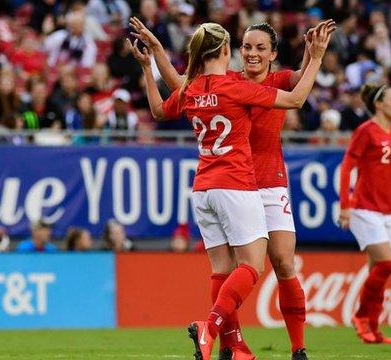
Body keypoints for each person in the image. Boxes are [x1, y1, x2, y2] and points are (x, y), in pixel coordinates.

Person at [130, 17, 334, 360]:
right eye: (247, 47)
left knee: (283, 263)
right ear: (233, 50)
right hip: (239, 184)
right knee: (244, 267)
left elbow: (180, 93)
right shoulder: (233, 82)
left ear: (272, 54)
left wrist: (313, 55)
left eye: (260, 48)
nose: (252, 53)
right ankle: (227, 343)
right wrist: (159, 55)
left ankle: (297, 348)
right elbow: (184, 86)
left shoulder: (279, 79)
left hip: (267, 184)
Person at [338, 83, 391, 345]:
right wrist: (344, 204)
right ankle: (360, 316)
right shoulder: (365, 131)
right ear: (379, 104)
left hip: (388, 210)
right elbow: (347, 167)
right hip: (364, 209)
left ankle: (374, 329)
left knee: (378, 272)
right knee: (387, 264)